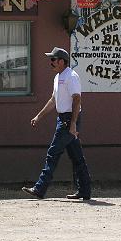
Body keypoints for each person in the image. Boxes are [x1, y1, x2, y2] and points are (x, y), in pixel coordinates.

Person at [22, 47, 91, 200]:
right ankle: (85, 191)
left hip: (68, 120)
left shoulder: (71, 76)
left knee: (53, 153)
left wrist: (73, 123)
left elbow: (77, 99)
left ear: (62, 61)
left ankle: (40, 188)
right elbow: (53, 100)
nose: (51, 62)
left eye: (53, 59)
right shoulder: (58, 77)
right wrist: (39, 116)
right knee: (76, 157)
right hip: (63, 119)